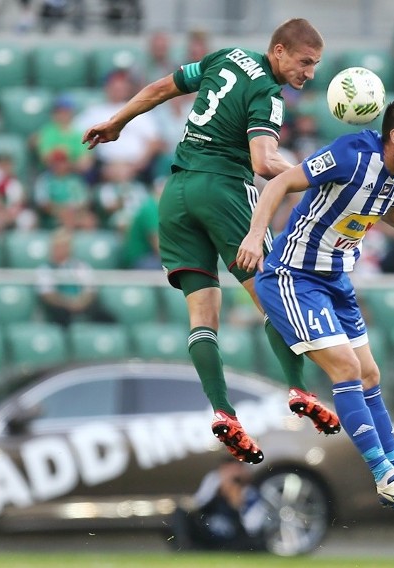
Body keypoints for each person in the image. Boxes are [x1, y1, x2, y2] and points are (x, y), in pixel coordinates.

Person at [82, 18, 340, 465]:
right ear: (279, 51)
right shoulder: (268, 93)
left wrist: (116, 121)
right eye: (304, 62)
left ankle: (223, 412)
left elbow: (163, 87)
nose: (309, 73)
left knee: (203, 314)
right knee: (276, 298)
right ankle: (299, 388)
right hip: (223, 189)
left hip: (176, 194)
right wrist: (318, 179)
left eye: (314, 65)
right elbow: (262, 161)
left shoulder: (226, 57)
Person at [237, 98, 394, 509]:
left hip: (335, 279)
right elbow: (279, 182)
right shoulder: (350, 154)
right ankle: (384, 476)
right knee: (347, 369)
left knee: (369, 373)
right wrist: (253, 235)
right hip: (293, 276)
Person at [167, 459, 267, 552]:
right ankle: (184, 548)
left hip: (233, 540)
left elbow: (253, 528)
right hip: (208, 533)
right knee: (179, 512)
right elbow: (196, 504)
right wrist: (218, 492)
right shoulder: (213, 482)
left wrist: (237, 504)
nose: (229, 476)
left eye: (234, 472)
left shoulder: (250, 494)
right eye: (226, 472)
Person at [35, 228, 114, 327]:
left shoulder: (80, 266)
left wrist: (81, 302)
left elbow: (90, 289)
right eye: (58, 246)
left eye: (64, 246)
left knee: (105, 315)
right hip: (60, 307)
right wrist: (69, 304)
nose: (61, 249)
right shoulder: (45, 269)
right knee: (59, 314)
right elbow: (48, 295)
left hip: (81, 303)